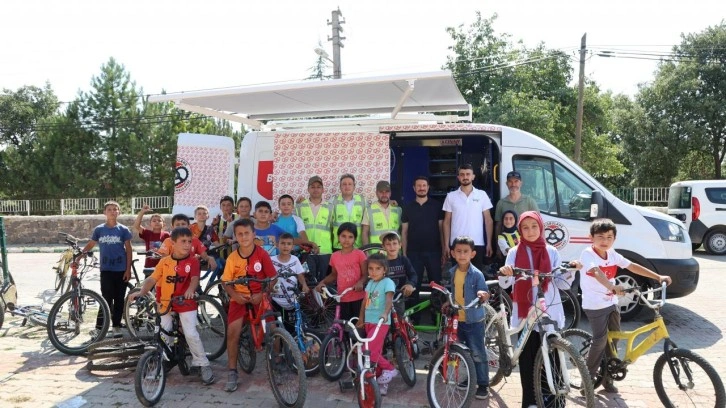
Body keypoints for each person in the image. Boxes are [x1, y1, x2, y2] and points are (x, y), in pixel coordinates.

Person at [579, 218, 672, 393]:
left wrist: (658, 277)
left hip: (611, 303)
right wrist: (611, 286)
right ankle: (588, 379)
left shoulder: (612, 254)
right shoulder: (588, 254)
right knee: (600, 340)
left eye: (609, 237)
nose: (605, 241)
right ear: (591, 237)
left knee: (614, 338)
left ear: (614, 239)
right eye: (600, 237)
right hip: (595, 304)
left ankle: (607, 376)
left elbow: (632, 266)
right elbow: (596, 272)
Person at [498, 211, 574, 408]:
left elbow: (562, 283)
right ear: (520, 230)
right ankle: (531, 402)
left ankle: (554, 400)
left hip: (549, 309)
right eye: (525, 227)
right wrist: (505, 272)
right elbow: (506, 282)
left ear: (541, 227)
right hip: (526, 313)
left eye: (534, 226)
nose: (530, 231)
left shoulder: (552, 251)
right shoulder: (514, 252)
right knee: (528, 359)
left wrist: (570, 271)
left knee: (553, 355)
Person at [127, 227, 215, 385]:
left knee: (190, 333)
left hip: (186, 302)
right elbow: (152, 279)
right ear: (172, 243)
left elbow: (195, 279)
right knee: (163, 332)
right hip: (166, 302)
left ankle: (202, 363)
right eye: (183, 241)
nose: (187, 245)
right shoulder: (164, 261)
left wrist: (190, 290)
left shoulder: (193, 261)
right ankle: (164, 360)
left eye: (189, 241)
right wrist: (141, 292)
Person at [222, 218, 277, 392]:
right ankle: (232, 371)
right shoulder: (232, 258)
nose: (244, 237)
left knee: (273, 328)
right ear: (235, 237)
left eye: (247, 233)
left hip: (260, 297)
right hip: (239, 298)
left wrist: (263, 293)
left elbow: (273, 278)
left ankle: (278, 363)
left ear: (254, 234)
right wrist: (235, 296)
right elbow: (226, 282)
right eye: (240, 234)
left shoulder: (262, 254)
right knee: (233, 333)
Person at [443, 236, 490, 400]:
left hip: (473, 320)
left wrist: (482, 294)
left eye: (465, 252)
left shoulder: (477, 274)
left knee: (478, 353)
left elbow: (484, 293)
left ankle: (483, 384)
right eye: (459, 251)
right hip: (458, 320)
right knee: (464, 353)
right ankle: (471, 378)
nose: (462, 255)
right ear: (453, 253)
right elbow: (454, 292)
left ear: (473, 254)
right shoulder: (452, 272)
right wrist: (448, 302)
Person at [79, 201, 132, 336]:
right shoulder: (99, 230)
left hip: (121, 269)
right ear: (104, 212)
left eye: (115, 209)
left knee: (119, 298)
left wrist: (128, 269)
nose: (112, 212)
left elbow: (129, 249)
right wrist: (81, 255)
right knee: (106, 298)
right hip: (106, 269)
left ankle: (116, 326)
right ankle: (99, 327)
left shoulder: (123, 230)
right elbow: (91, 244)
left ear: (119, 212)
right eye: (109, 209)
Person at [356, 253, 398, 396]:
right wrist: (361, 318)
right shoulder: (370, 283)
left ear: (384, 269)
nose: (373, 272)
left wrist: (385, 313)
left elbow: (389, 300)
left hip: (380, 323)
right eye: (371, 268)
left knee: (369, 351)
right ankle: (381, 382)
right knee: (374, 352)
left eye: (377, 269)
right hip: (368, 321)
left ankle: (390, 369)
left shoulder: (388, 282)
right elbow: (365, 302)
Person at [442, 164, 494, 272]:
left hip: (477, 243)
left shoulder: (482, 195)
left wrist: (489, 243)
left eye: (468, 174)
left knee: (476, 277)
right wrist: (446, 245)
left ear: (473, 176)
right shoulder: (451, 196)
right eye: (462, 174)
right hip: (456, 243)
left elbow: (488, 221)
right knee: (458, 277)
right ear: (458, 177)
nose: (465, 177)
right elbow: (446, 222)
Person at [314, 222, 367, 322]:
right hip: (342, 297)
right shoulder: (334, 256)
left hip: (359, 297)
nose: (346, 240)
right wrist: (322, 283)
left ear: (355, 239)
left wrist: (360, 282)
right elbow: (334, 274)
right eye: (343, 236)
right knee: (345, 325)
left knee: (358, 325)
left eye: (350, 237)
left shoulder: (360, 254)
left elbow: (365, 274)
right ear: (338, 237)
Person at [402, 176, 444, 294]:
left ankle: (436, 306)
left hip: (434, 252)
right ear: (414, 188)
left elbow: (441, 230)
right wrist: (404, 253)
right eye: (419, 186)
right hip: (413, 253)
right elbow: (404, 232)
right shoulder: (408, 207)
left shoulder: (437, 206)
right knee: (413, 287)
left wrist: (443, 249)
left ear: (428, 187)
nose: (422, 188)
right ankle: (414, 307)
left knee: (436, 287)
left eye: (424, 185)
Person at [296, 176, 334, 282]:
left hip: (325, 251)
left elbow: (333, 229)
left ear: (323, 189)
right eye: (312, 187)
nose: (315, 189)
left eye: (318, 187)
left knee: (323, 283)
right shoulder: (300, 206)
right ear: (308, 189)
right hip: (306, 251)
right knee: (308, 282)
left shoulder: (330, 206)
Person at [270, 232, 310, 333]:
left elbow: (300, 275)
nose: (285, 246)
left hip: (292, 300)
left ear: (292, 247)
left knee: (291, 329)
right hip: (276, 301)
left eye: (289, 244)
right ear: (277, 244)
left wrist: (304, 285)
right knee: (278, 329)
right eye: (283, 243)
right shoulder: (271, 260)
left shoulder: (295, 260)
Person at [494, 171, 539, 253]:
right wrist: (498, 248)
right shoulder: (501, 203)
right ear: (507, 184)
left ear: (521, 183)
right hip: (507, 247)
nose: (513, 184)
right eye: (510, 182)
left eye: (516, 181)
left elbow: (539, 224)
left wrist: (540, 243)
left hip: (527, 244)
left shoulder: (529, 201)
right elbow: (498, 226)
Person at [379, 231, 417, 317]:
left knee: (399, 320)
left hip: (399, 298)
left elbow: (413, 275)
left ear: (400, 245)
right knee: (383, 320)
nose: (392, 247)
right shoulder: (381, 262)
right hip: (383, 299)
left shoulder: (404, 260)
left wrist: (410, 284)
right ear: (383, 247)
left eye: (395, 243)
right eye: (388, 244)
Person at [331, 174, 366, 249]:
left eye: (350, 184)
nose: (347, 187)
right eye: (344, 184)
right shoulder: (333, 201)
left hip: (357, 246)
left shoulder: (362, 201)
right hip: (339, 246)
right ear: (340, 187)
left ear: (354, 186)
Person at [362, 181, 401, 246]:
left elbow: (403, 232)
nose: (384, 194)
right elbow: (365, 233)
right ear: (376, 193)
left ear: (390, 193)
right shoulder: (369, 210)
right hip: (376, 250)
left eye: (387, 191)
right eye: (381, 192)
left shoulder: (398, 210)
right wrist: (366, 250)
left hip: (394, 250)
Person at [132, 204, 169, 269]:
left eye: (159, 220)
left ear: (164, 224)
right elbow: (136, 226)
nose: (157, 222)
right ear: (150, 224)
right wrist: (142, 212)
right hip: (149, 266)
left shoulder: (167, 235)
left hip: (164, 266)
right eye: (154, 221)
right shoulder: (147, 233)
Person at [213, 195, 238, 260]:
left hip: (236, 254)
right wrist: (212, 225)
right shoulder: (217, 219)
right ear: (220, 207)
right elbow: (211, 236)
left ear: (233, 206)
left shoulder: (238, 217)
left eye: (228, 205)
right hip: (221, 255)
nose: (226, 208)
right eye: (223, 205)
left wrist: (232, 223)